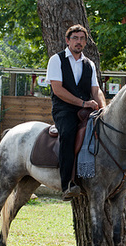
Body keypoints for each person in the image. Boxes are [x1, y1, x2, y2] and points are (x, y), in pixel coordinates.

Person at [45, 24, 106, 200]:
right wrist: (83, 102)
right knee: (69, 134)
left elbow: (96, 90)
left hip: (87, 109)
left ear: (85, 42)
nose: (78, 42)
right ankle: (67, 185)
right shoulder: (56, 60)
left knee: (106, 133)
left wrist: (104, 109)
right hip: (64, 109)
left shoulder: (89, 64)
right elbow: (58, 90)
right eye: (75, 38)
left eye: (82, 39)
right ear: (67, 40)